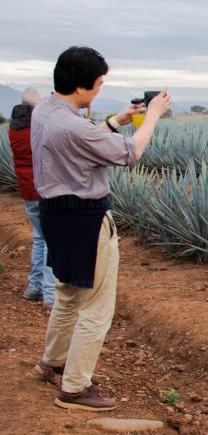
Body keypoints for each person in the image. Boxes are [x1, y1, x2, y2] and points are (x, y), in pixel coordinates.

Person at [31, 46, 171, 411]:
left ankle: (53, 362)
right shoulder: (74, 125)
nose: (98, 88)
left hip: (55, 216)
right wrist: (152, 116)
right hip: (86, 220)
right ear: (82, 86)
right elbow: (130, 154)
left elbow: (79, 142)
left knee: (67, 294)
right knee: (95, 306)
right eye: (97, 83)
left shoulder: (45, 111)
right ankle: (75, 388)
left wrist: (115, 120)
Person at [8, 87, 57, 307]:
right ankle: (50, 294)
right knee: (51, 241)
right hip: (44, 188)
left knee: (39, 238)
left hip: (27, 189)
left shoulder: (14, 128)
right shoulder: (38, 127)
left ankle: (34, 287)